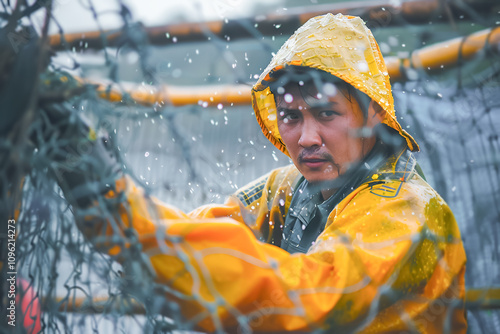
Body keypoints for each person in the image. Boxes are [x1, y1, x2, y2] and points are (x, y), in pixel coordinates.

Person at [35, 13, 467, 333]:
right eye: (291, 117)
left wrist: (122, 209)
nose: (307, 137)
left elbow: (302, 297)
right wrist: (110, 186)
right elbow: (199, 229)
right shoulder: (288, 188)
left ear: (373, 115)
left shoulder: (410, 214)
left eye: (325, 113)